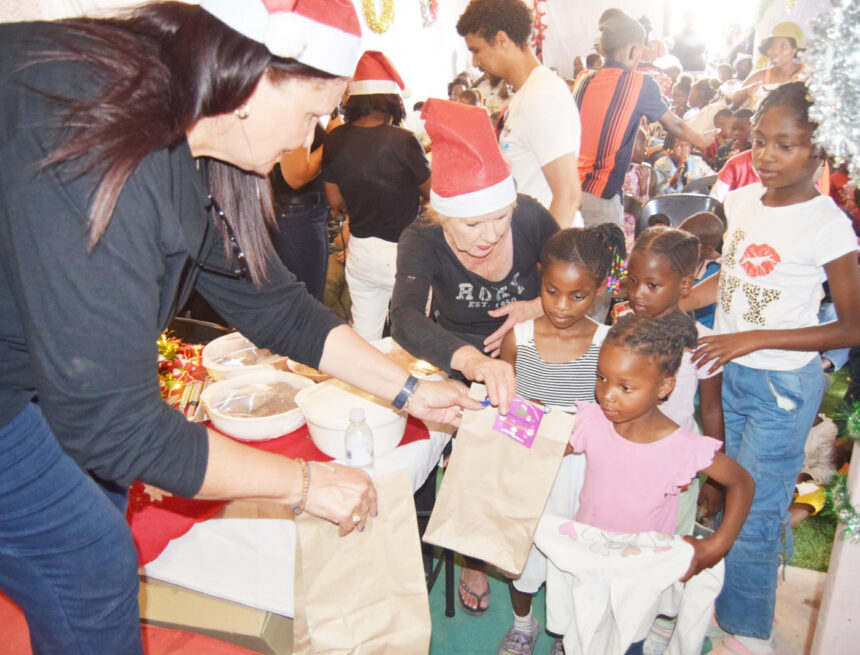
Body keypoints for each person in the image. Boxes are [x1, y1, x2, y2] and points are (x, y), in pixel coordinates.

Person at [0, 3, 479, 652]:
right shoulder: (106, 142)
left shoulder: (200, 144)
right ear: (251, 77)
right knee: (91, 563)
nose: (307, 141)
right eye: (311, 115)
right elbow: (115, 427)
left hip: (31, 374)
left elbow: (278, 307)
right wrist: (305, 484)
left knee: (95, 521)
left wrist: (410, 391)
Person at [689, 82, 860, 654]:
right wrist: (678, 301)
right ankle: (723, 602)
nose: (765, 155)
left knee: (757, 508)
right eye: (759, 140)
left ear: (820, 151)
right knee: (725, 488)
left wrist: (752, 338)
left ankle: (746, 633)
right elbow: (732, 278)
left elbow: (852, 326)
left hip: (780, 385)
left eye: (784, 145)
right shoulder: (741, 202)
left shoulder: (827, 225)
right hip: (730, 372)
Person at [391, 98, 559, 616]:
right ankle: (470, 554)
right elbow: (404, 318)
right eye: (471, 226)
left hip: (530, 350)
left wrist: (537, 304)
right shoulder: (421, 237)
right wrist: (472, 362)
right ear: (442, 216)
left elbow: (602, 272)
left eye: (499, 220)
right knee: (465, 455)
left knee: (522, 454)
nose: (489, 236)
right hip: (458, 354)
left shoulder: (530, 216)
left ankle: (521, 541)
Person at [568, 312, 754, 655]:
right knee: (585, 632)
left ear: (665, 387)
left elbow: (742, 483)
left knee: (627, 641)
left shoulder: (681, 448)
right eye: (602, 378)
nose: (607, 395)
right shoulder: (592, 421)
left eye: (625, 387)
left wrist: (717, 545)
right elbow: (545, 441)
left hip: (640, 574)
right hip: (590, 561)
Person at [495, 225, 626, 655]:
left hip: (582, 475)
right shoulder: (520, 338)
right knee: (521, 550)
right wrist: (529, 416)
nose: (562, 306)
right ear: (540, 276)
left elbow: (615, 415)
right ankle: (522, 624)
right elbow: (504, 406)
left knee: (577, 556)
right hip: (527, 467)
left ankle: (570, 635)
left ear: (600, 290)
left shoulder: (608, 344)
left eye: (578, 296)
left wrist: (575, 431)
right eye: (551, 291)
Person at [622, 227, 725, 534]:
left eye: (652, 285)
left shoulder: (702, 344)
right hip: (624, 454)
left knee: (667, 542)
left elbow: (711, 410)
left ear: (685, 285)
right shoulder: (622, 329)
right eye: (632, 280)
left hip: (675, 465)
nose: (637, 293)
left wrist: (715, 479)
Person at [322, 50, 431, 341]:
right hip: (403, 253)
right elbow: (433, 193)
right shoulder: (403, 141)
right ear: (392, 101)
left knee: (366, 339)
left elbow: (335, 202)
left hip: (360, 251)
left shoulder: (335, 139)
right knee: (416, 339)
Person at [573, 9, 711, 229]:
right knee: (606, 251)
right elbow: (674, 124)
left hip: (570, 189)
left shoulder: (583, 78)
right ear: (633, 49)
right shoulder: (639, 84)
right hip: (600, 194)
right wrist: (703, 141)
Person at [456, 0, 583, 229]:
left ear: (502, 40)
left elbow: (568, 194)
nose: (475, 62)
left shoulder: (540, 97)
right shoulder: (527, 92)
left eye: (476, 50)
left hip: (547, 243)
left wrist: (546, 252)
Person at [268, 119, 336, 301]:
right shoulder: (294, 117)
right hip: (297, 215)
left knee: (307, 294)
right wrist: (332, 139)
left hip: (304, 212)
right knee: (304, 298)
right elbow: (296, 177)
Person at [731, 22, 805, 110]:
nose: (775, 51)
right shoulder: (761, 76)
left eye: (783, 46)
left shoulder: (807, 75)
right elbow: (734, 100)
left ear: (795, 49)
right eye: (771, 46)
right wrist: (747, 90)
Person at [679, 212, 724, 330]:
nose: (680, 249)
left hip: (703, 329)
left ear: (706, 249)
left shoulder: (714, 270)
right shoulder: (681, 261)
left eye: (686, 246)